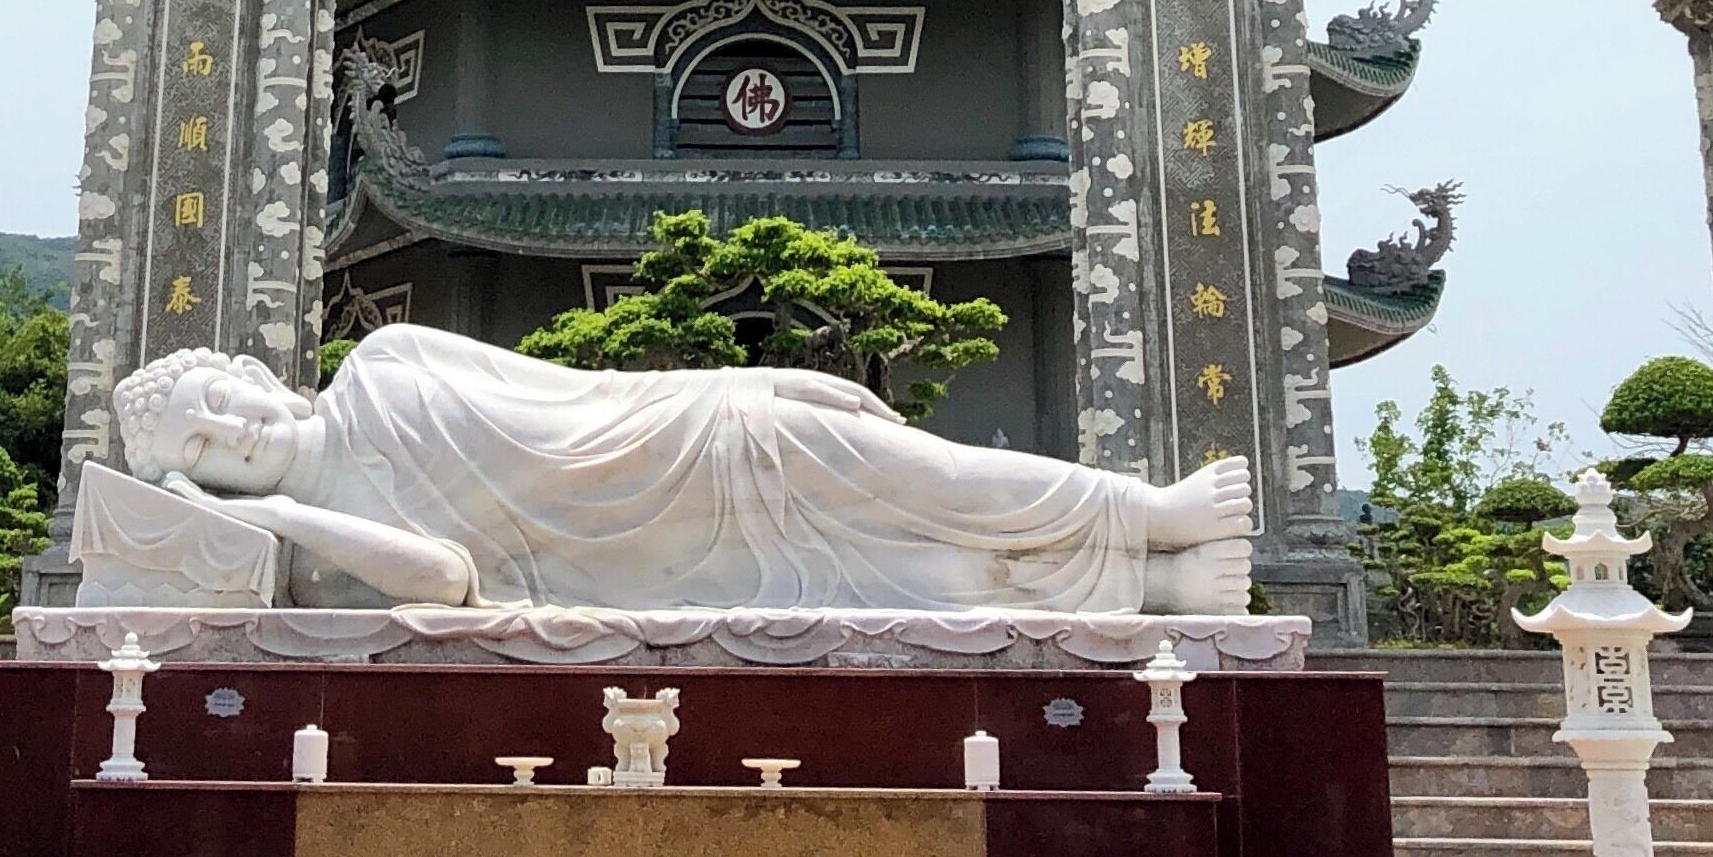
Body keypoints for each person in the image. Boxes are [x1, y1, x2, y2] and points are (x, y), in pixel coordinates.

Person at [111, 324, 1257, 614]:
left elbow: (568, 390)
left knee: (925, 477)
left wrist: (734, 382)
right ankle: (1143, 591)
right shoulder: (327, 544)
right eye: (203, 455)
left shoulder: (384, 357)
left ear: (250, 371)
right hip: (629, 572)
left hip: (684, 436)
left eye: (218, 404)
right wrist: (269, 517)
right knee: (910, 589)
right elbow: (449, 581)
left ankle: (1144, 512)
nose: (230, 433)